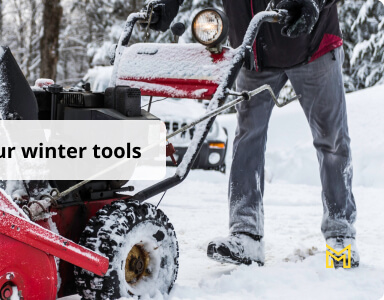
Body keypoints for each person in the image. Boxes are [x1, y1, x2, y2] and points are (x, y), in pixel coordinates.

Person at [148, 0, 358, 268]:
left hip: (313, 45)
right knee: (248, 139)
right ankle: (245, 234)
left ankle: (340, 235)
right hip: (254, 52)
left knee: (332, 140)